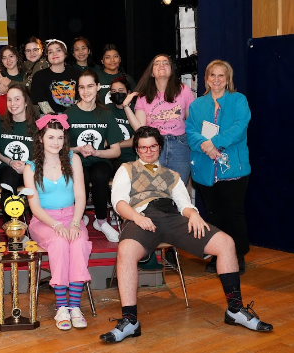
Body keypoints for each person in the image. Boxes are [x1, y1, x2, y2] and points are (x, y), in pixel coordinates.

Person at [100, 126, 273, 344]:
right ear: (137, 149)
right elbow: (119, 202)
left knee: (226, 243)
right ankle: (130, 320)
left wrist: (194, 215)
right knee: (125, 250)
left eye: (153, 146)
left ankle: (235, 310)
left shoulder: (171, 175)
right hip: (141, 216)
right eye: (143, 147)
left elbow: (183, 203)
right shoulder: (126, 169)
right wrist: (136, 217)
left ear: (160, 147)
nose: (148, 151)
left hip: (172, 216)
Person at [23, 114, 91, 331]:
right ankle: (61, 307)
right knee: (60, 244)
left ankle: (75, 306)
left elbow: (80, 195)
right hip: (45, 220)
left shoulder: (73, 160)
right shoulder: (30, 168)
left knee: (79, 242)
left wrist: (74, 223)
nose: (55, 142)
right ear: (41, 138)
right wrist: (57, 225)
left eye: (60, 138)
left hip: (72, 216)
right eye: (51, 137)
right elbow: (35, 207)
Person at [186, 60, 251, 274]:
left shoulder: (238, 100)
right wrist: (206, 147)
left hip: (233, 170)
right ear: (206, 79)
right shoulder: (197, 105)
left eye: (221, 76)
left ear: (228, 79)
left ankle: (237, 255)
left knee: (233, 214)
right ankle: (217, 255)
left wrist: (214, 143)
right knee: (213, 215)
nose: (216, 79)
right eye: (212, 75)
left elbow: (239, 128)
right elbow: (190, 130)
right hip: (205, 169)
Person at [65, 70, 123, 241]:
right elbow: (59, 148)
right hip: (76, 160)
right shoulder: (69, 114)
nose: (86, 91)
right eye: (82, 87)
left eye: (90, 86)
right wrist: (77, 149)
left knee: (100, 173)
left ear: (98, 87)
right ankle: (79, 215)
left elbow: (116, 151)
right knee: (80, 174)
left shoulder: (106, 114)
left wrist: (96, 152)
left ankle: (101, 220)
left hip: (100, 160)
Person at [131, 54, 195, 185]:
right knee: (153, 191)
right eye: (157, 63)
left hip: (180, 146)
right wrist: (126, 106)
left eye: (166, 63)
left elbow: (192, 121)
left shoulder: (184, 90)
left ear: (171, 71)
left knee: (178, 189)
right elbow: (140, 129)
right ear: (152, 73)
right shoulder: (143, 96)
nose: (161, 65)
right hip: (153, 146)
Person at [0, 84, 37, 221]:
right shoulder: (1, 124)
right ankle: (12, 227)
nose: (12, 104)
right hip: (9, 167)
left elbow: (44, 153)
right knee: (8, 179)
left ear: (26, 102)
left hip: (33, 168)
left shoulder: (38, 125)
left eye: (17, 99)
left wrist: (27, 166)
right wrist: (11, 162)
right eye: (9, 99)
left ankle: (39, 221)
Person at [31, 39, 79, 114]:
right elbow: (42, 103)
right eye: (50, 52)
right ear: (47, 56)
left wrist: (71, 117)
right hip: (49, 119)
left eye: (58, 50)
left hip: (73, 115)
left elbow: (79, 100)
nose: (54, 54)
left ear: (65, 54)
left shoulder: (77, 74)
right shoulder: (39, 76)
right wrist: (57, 119)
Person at [106, 77, 139, 172]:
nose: (117, 94)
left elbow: (134, 141)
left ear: (128, 92)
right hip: (108, 157)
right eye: (113, 91)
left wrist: (111, 144)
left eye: (121, 90)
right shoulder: (106, 109)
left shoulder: (135, 110)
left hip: (128, 157)